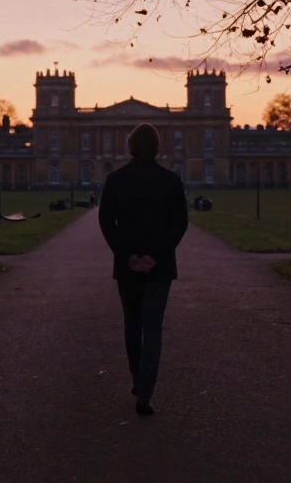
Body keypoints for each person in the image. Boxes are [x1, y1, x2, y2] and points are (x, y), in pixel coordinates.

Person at [97, 123, 189, 416]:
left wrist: (127, 257)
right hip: (159, 267)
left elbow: (105, 223)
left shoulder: (115, 180)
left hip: (128, 267)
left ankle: (138, 378)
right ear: (158, 147)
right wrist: (155, 257)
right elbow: (180, 224)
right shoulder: (171, 180)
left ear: (130, 146)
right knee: (153, 329)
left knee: (132, 325)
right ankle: (145, 393)